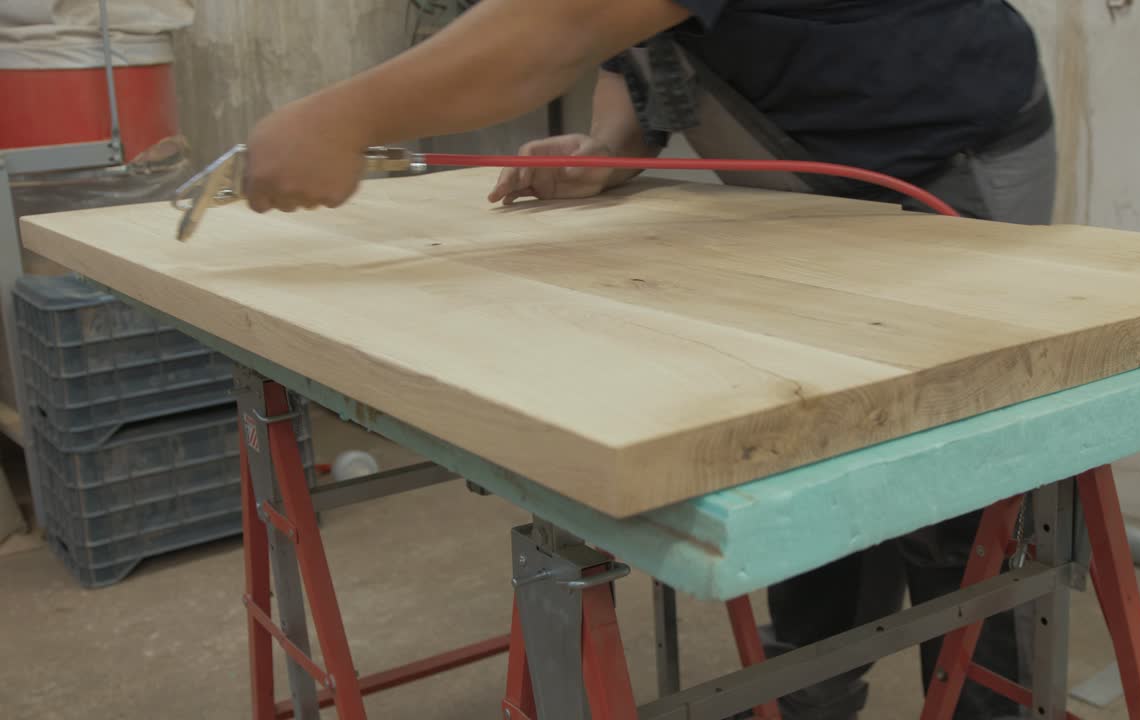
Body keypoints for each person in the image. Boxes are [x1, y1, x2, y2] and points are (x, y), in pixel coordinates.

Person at [243, 1, 1056, 718]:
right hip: (815, 169)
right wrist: (607, 144)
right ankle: (810, 693)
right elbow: (635, 41)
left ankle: (992, 707)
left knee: (956, 477)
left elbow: (564, 23)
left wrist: (344, 116)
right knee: (825, 453)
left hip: (942, 158)